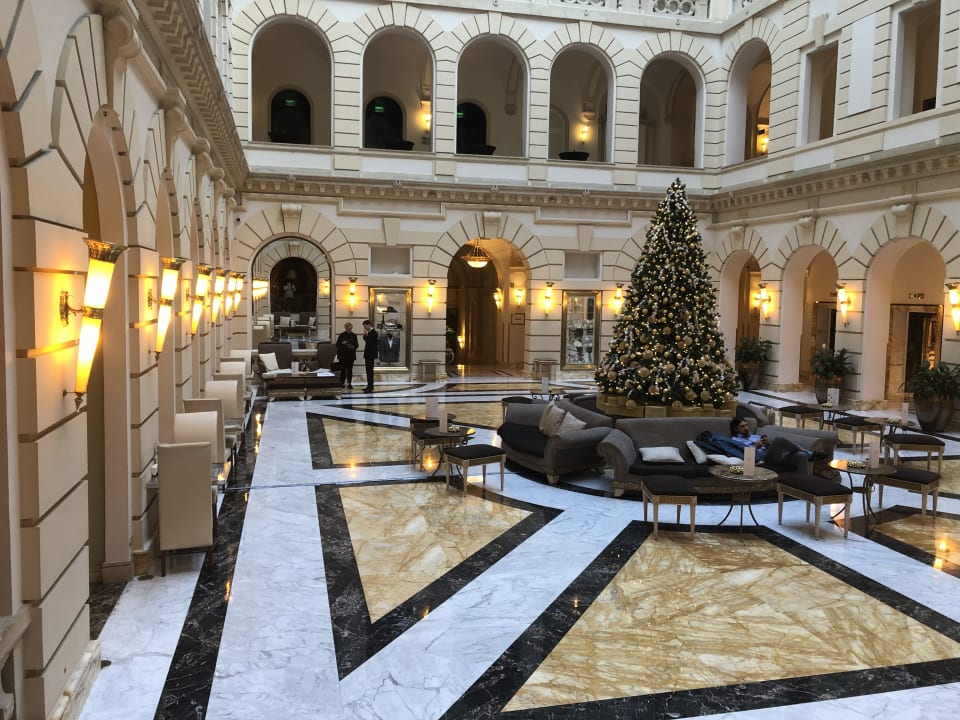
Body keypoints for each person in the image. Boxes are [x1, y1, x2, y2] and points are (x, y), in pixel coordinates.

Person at [728, 416, 826, 472]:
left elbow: (768, 448)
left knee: (801, 455)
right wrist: (755, 447)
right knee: (779, 440)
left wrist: (766, 443)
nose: (746, 428)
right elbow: (742, 454)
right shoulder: (734, 440)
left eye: (746, 425)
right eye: (742, 427)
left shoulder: (754, 436)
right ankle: (811, 454)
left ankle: (804, 486)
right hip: (763, 460)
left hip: (776, 456)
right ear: (736, 429)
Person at [335, 322, 359, 388]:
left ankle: (349, 383)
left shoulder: (354, 335)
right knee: (343, 370)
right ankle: (342, 383)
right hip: (343, 355)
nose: (349, 330)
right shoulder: (341, 335)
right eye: (348, 329)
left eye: (350, 329)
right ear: (345, 328)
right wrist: (343, 343)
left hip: (351, 355)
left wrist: (353, 347)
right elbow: (337, 345)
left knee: (350, 370)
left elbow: (357, 345)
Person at [361, 319, 378, 393]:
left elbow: (369, 342)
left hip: (370, 355)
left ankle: (370, 387)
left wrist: (365, 335)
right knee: (368, 371)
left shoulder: (373, 332)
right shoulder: (370, 332)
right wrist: (365, 335)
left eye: (365, 327)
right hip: (368, 355)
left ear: (369, 325)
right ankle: (369, 386)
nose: (365, 328)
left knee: (370, 371)